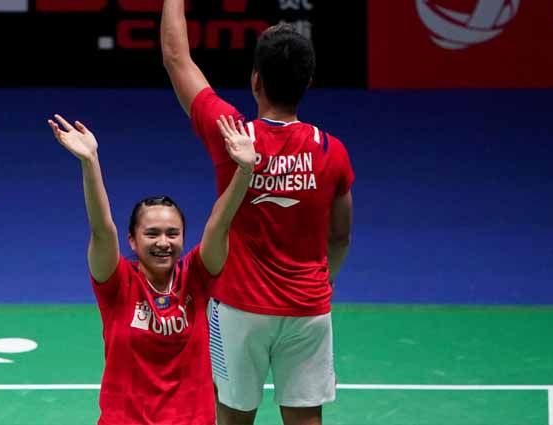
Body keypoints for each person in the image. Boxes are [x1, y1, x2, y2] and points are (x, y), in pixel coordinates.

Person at [160, 2, 355, 425]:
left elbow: (177, 58)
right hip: (308, 308)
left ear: (255, 81)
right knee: (306, 419)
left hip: (237, 308)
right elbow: (340, 237)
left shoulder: (232, 135)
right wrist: (327, 280)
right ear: (308, 82)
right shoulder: (331, 151)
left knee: (232, 417)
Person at [47, 114, 256, 425]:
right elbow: (103, 230)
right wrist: (90, 162)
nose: (163, 242)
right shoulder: (117, 285)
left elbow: (220, 223)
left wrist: (245, 170)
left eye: (173, 233)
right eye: (152, 233)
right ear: (132, 240)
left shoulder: (197, 278)